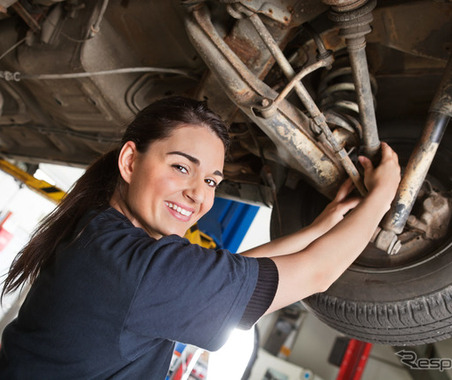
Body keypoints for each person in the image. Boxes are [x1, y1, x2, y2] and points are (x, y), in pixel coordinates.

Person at [0, 96, 400, 379]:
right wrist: (383, 196)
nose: (198, 193)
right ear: (129, 161)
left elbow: (233, 276)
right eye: (180, 167)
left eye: (211, 180)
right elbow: (315, 274)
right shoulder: (137, 269)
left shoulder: (98, 233)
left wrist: (320, 226)